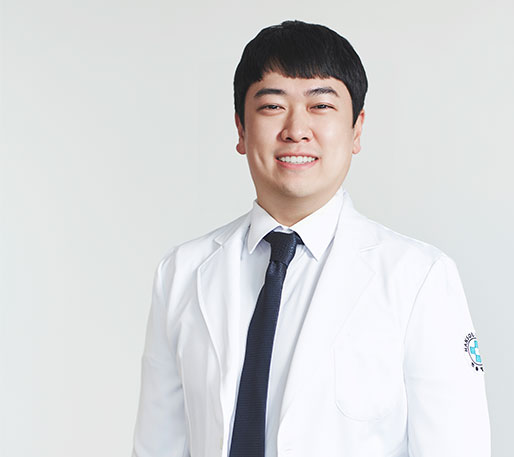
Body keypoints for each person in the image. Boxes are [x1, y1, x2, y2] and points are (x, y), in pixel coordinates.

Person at [131, 20, 491, 457]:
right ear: (241, 130)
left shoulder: (419, 278)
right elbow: (158, 446)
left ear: (356, 129)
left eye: (321, 105)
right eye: (272, 106)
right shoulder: (181, 274)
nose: (296, 129)